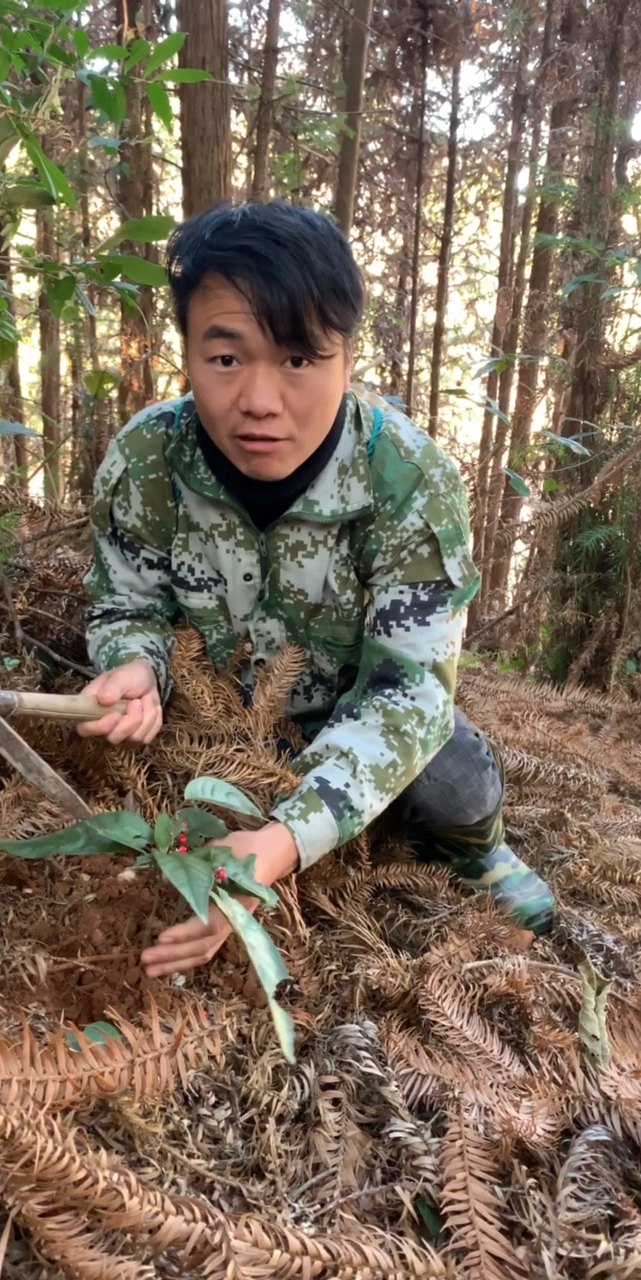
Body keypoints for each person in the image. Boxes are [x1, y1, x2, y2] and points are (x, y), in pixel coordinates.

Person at [79, 200, 555, 979]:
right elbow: (127, 603)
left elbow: (409, 696)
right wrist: (136, 665)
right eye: (226, 359)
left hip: (350, 714)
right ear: (190, 352)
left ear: (344, 355)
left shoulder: (409, 483)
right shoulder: (145, 462)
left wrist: (277, 843)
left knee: (453, 777)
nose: (261, 401)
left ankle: (480, 854)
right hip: (210, 721)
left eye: (298, 359)